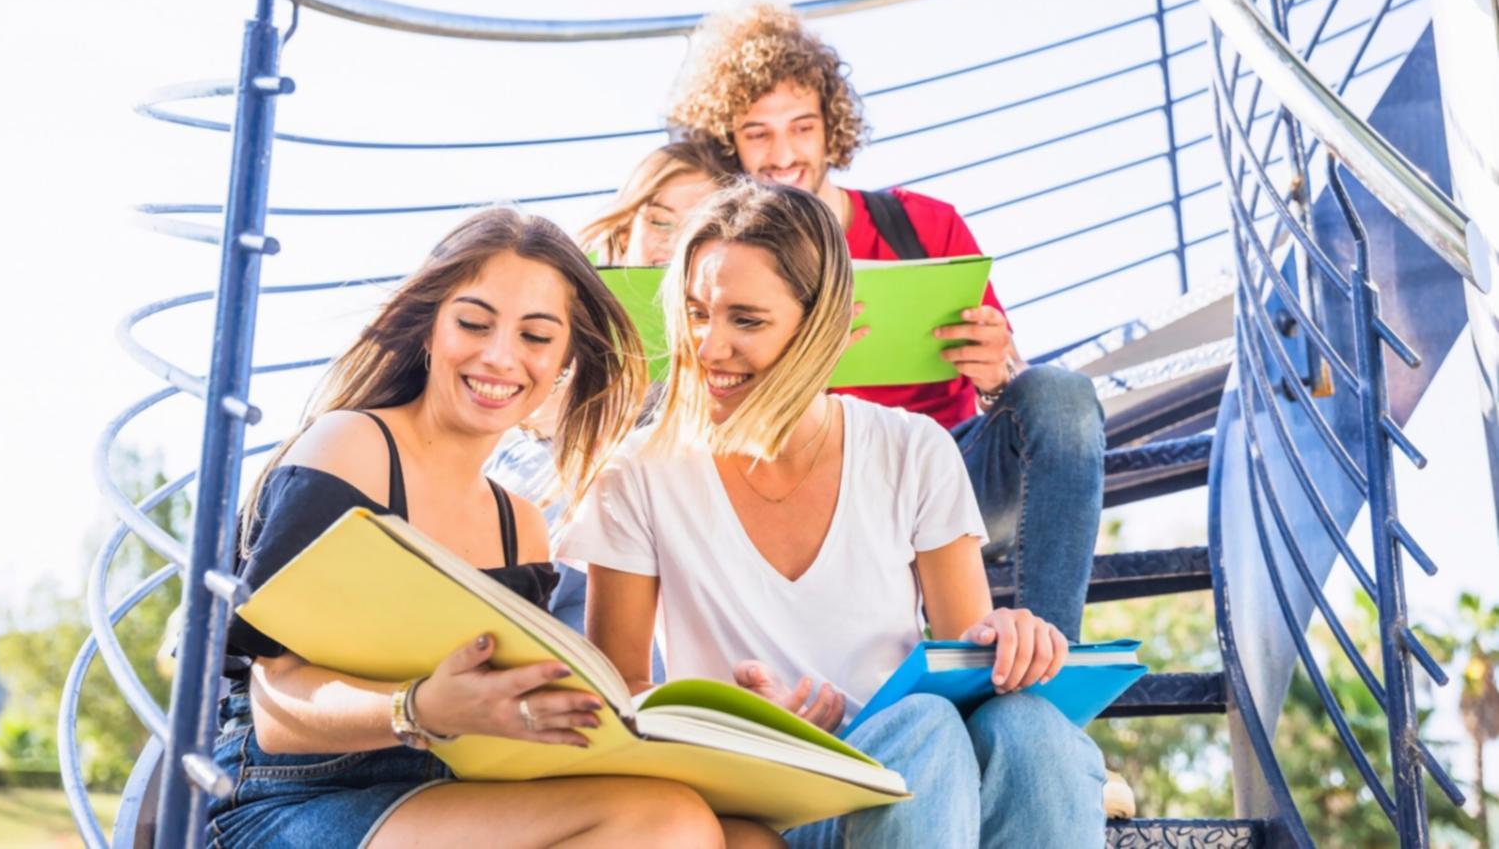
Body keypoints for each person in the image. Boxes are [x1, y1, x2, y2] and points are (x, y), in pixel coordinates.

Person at [210, 207, 777, 848]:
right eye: (474, 323)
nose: (501, 357)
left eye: (536, 337)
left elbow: (508, 724)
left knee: (749, 839)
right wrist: (419, 708)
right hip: (289, 794)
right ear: (428, 329)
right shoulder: (353, 448)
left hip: (448, 790)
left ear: (565, 360)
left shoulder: (522, 526)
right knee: (666, 823)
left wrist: (710, 729)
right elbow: (275, 710)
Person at [562, 181, 1107, 848]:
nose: (707, 347)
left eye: (746, 320)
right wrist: (730, 720)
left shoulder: (912, 448)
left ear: (821, 324)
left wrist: (1011, 637)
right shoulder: (638, 472)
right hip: (771, 793)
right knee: (924, 731)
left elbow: (963, 653)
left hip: (920, 784)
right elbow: (620, 696)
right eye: (696, 312)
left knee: (1032, 729)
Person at [665, 1, 1104, 644]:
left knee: (1061, 394)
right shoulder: (718, 265)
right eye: (758, 133)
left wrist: (996, 375)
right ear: (729, 142)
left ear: (831, 128)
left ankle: (1049, 653)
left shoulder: (924, 225)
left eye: (801, 128)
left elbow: (1017, 397)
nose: (782, 155)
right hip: (814, 494)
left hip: (950, 478)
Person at [486, 139, 735, 635]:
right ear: (626, 231)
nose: (672, 244)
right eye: (659, 222)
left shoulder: (730, 340)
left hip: (654, 524)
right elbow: (522, 416)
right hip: (553, 481)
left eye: (695, 231)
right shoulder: (565, 300)